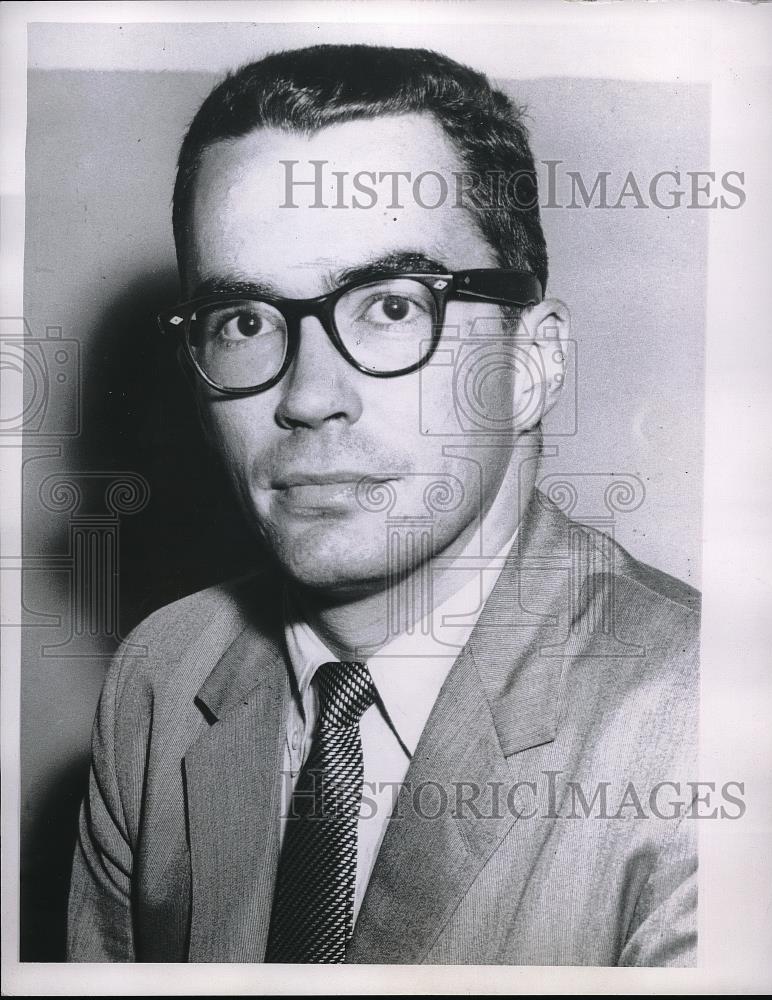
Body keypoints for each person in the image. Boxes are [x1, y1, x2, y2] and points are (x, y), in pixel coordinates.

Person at [66, 44, 699, 965]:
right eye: (244, 321)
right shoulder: (159, 680)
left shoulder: (708, 726)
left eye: (393, 306)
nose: (310, 395)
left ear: (532, 364)